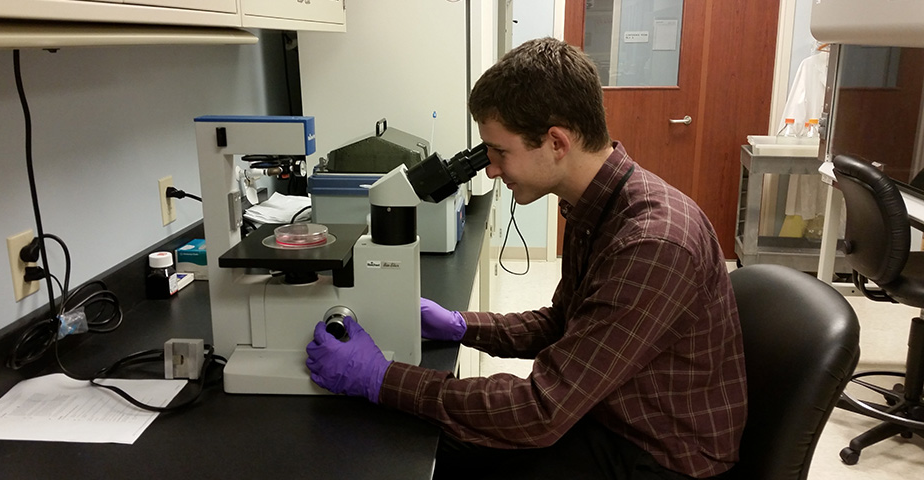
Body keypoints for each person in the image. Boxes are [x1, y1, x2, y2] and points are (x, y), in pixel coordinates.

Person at [305, 37, 747, 480]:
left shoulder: (652, 244)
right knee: (437, 434)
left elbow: (540, 410)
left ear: (556, 141)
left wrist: (382, 378)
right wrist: (462, 324)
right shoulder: (598, 203)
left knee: (434, 447)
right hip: (608, 414)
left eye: (499, 152)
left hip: (658, 458)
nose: (491, 169)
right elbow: (563, 323)